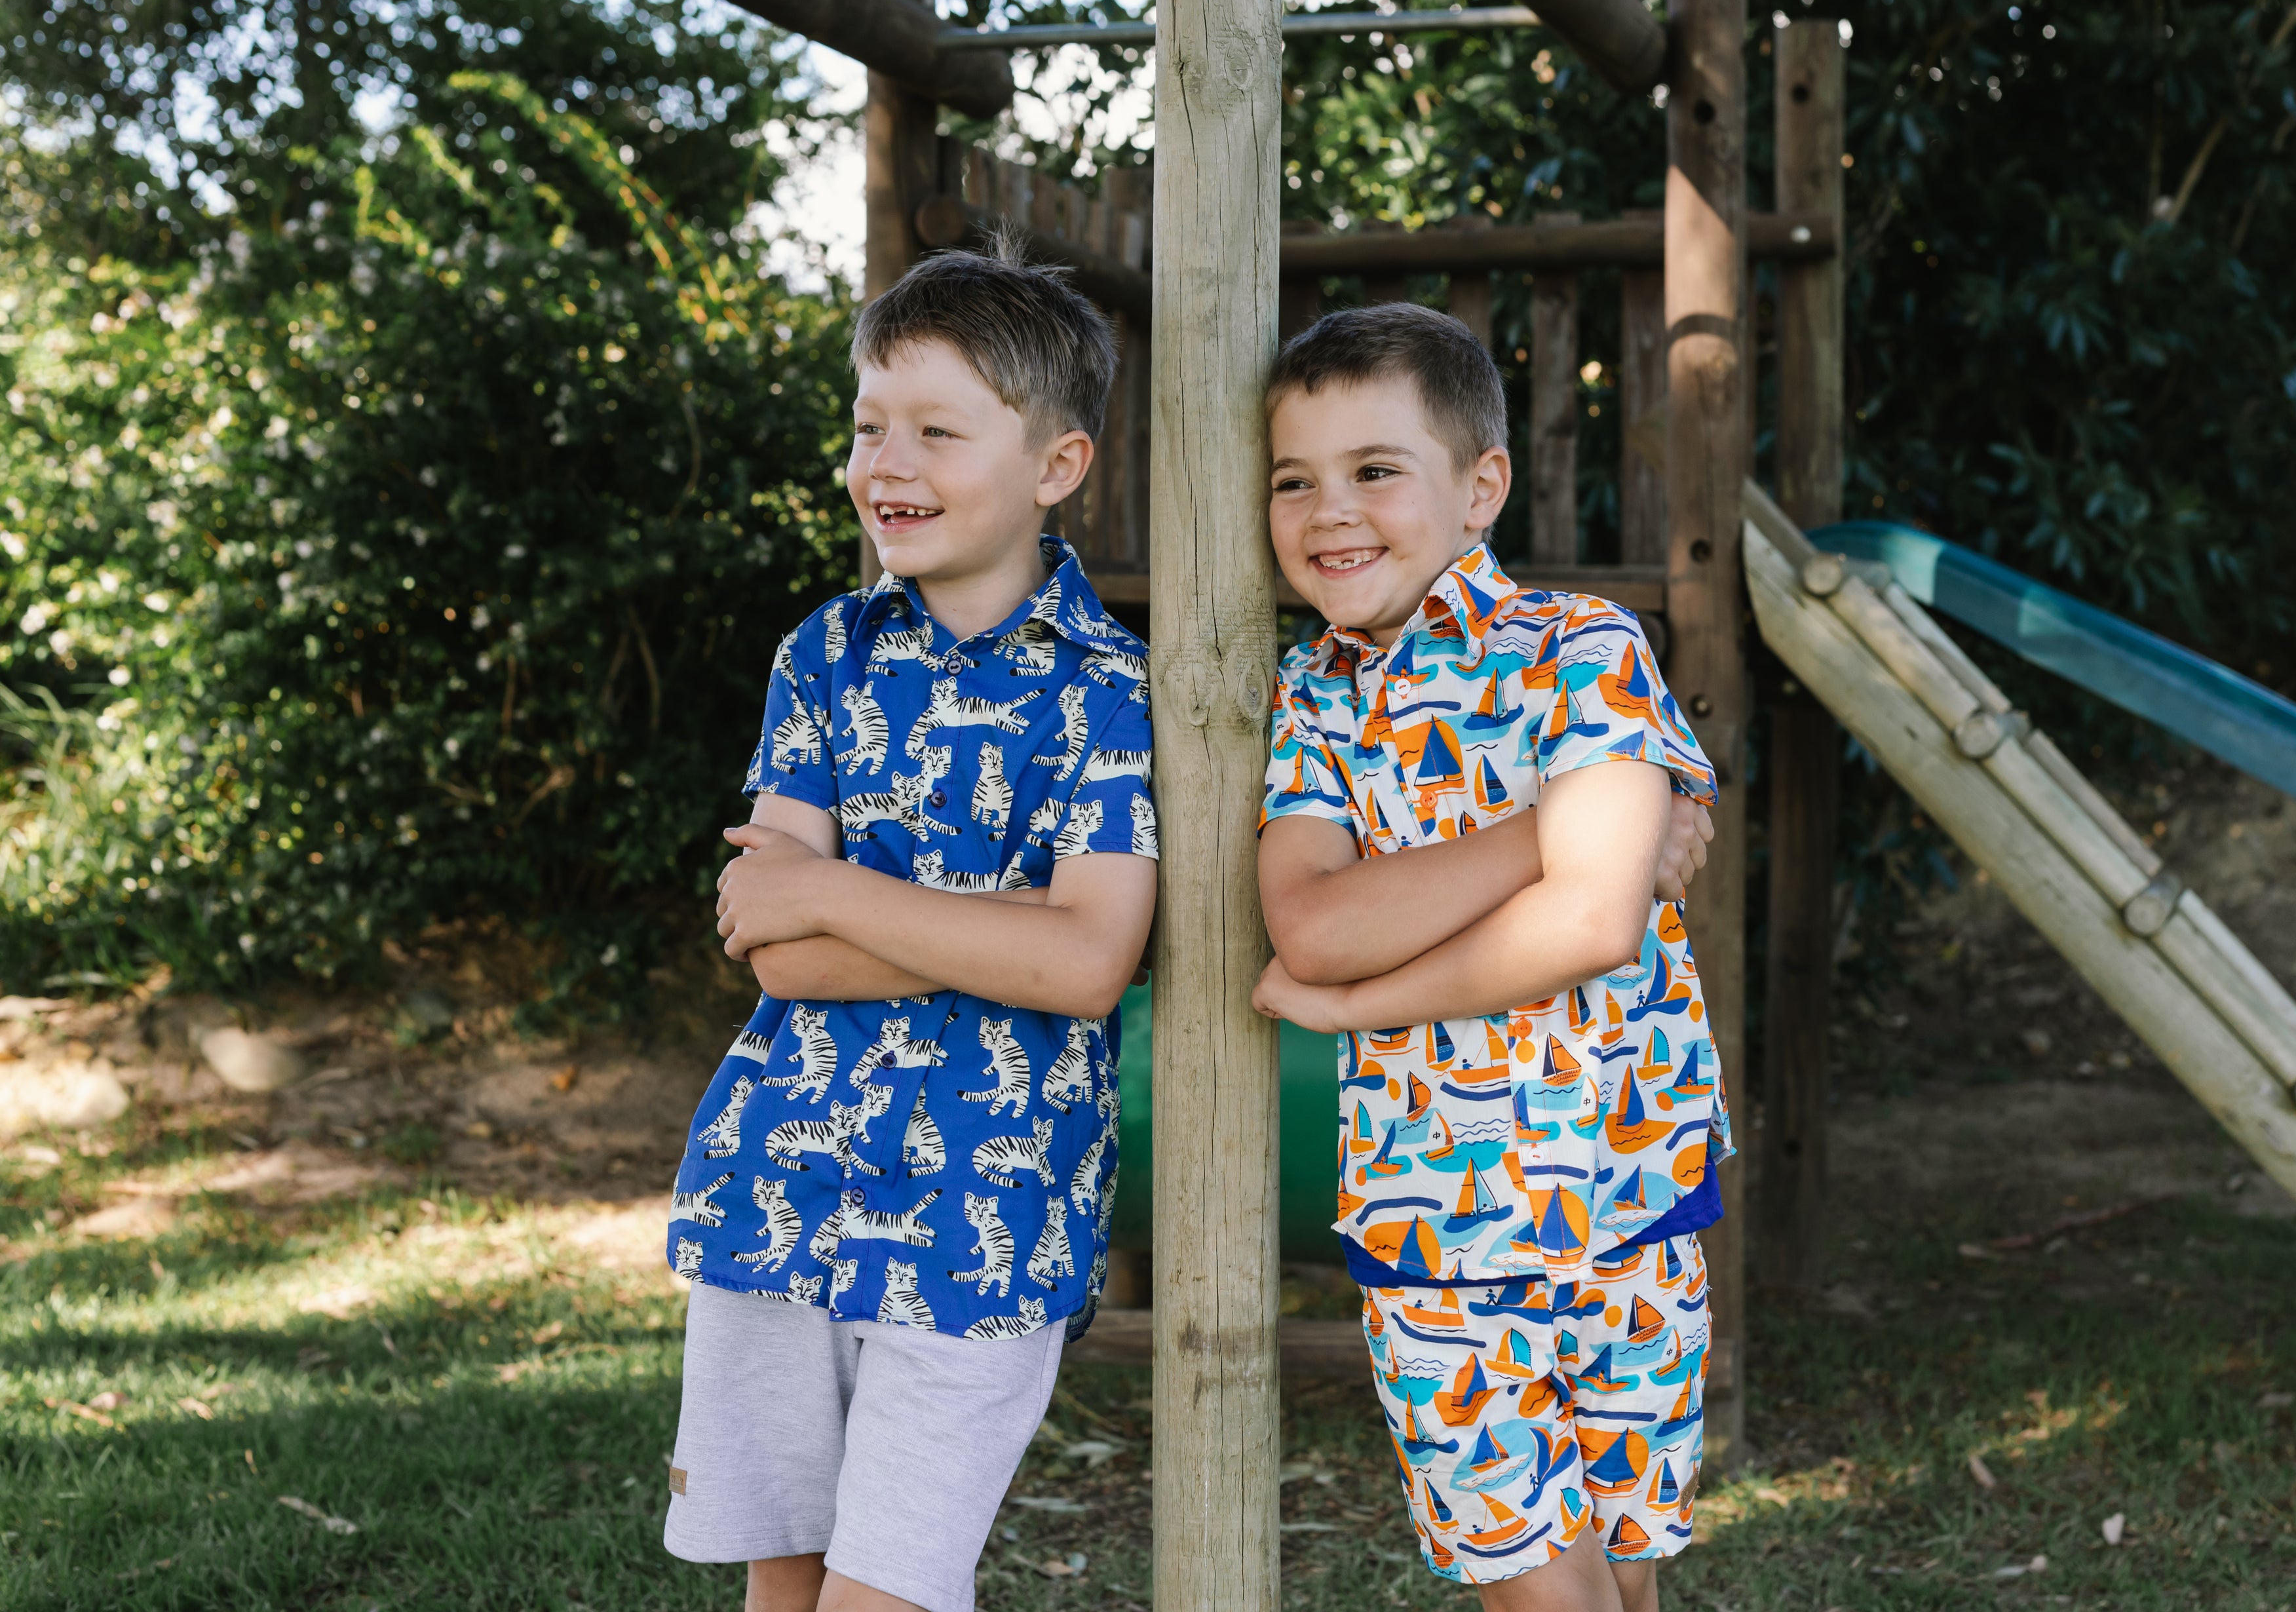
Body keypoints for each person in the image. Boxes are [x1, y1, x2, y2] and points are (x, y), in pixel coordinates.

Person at [661, 241, 1158, 1612]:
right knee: (787, 1585)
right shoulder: (821, 653)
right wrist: (988, 918)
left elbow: (1083, 963)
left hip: (986, 1215)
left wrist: (833, 886)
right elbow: (776, 944)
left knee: (886, 1593)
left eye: (939, 430)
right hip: (778, 1188)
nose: (890, 460)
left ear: (1056, 465)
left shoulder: (1117, 689)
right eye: (871, 423)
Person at [1252, 303, 1723, 1612]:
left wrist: (1357, 1000)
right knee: (1531, 1581)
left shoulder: (1586, 650)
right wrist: (1562, 825)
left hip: (1629, 1195)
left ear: (1482, 486)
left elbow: (1593, 925)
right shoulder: (1313, 696)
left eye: (1374, 469)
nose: (1329, 509)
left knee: (1626, 1579)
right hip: (1436, 1222)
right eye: (1295, 479)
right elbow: (1314, 922)